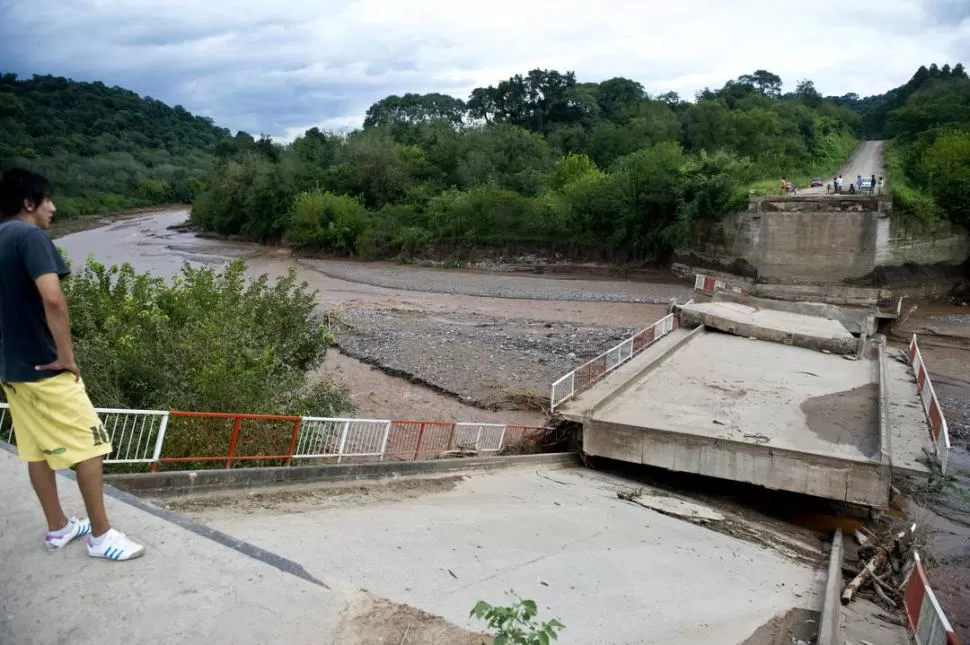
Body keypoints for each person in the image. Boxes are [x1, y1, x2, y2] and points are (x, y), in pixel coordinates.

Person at [0, 168, 145, 561]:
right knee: (89, 445)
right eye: (47, 200)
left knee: (34, 451)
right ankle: (101, 536)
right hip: (45, 367)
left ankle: (59, 527)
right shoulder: (32, 237)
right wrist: (66, 356)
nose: (53, 207)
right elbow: (53, 299)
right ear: (28, 203)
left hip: (12, 371)